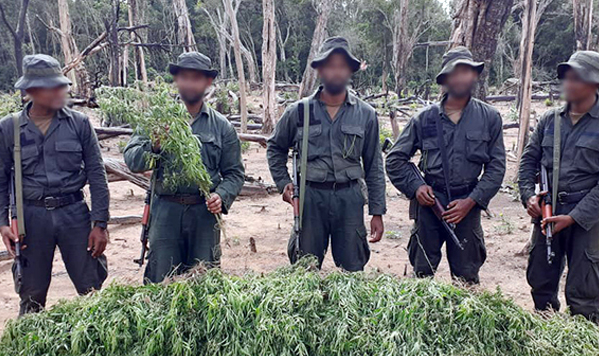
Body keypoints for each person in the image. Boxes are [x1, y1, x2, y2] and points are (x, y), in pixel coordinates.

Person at [0, 54, 109, 315]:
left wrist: (100, 224)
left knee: (91, 290)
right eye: (52, 87)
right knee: (31, 295)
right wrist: (1, 224)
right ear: (31, 91)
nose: (60, 92)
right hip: (31, 219)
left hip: (74, 214)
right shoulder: (8, 128)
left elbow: (97, 174)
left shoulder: (79, 123)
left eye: (61, 86)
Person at [518, 51, 599, 325]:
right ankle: (545, 339)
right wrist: (529, 197)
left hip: (586, 219)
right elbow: (528, 161)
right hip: (548, 212)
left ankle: (587, 349)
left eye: (575, 78)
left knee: (585, 293)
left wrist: (574, 217)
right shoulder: (549, 120)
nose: (567, 84)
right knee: (542, 284)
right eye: (566, 77)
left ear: (594, 84)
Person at [385, 47, 506, 284]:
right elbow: (395, 160)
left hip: (467, 205)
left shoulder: (489, 118)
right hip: (430, 205)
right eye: (455, 73)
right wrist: (417, 187)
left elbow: (497, 168)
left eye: (467, 72)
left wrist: (471, 202)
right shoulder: (425, 118)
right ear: (446, 79)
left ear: (474, 77)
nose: (461, 78)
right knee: (421, 276)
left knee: (467, 279)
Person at [267, 36, 386, 271]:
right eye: (330, 66)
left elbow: (374, 166)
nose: (336, 72)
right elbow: (275, 147)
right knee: (305, 270)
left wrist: (377, 211)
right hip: (311, 199)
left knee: (352, 270)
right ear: (320, 70)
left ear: (350, 71)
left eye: (342, 66)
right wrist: (284, 184)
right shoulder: (299, 111)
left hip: (350, 199)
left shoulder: (366, 114)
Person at [124, 51, 244, 283]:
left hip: (204, 215)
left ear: (208, 82)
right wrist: (155, 146)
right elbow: (132, 159)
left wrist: (222, 196)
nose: (190, 83)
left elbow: (235, 173)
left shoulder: (221, 126)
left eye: (196, 78)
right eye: (184, 77)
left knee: (204, 282)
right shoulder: (157, 119)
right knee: (161, 280)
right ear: (176, 79)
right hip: (165, 212)